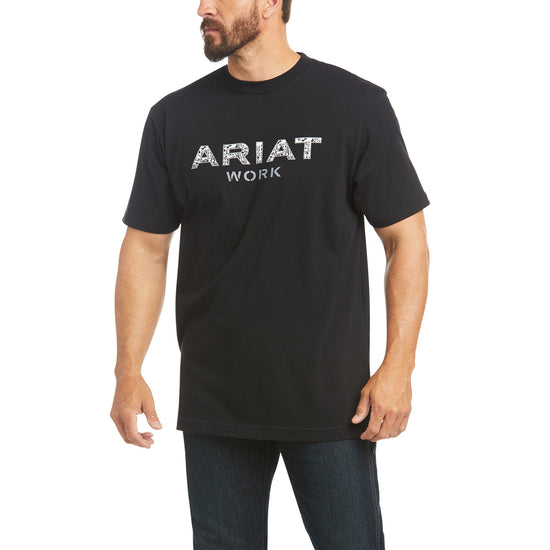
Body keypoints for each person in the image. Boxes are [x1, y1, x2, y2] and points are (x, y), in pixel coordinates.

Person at [111, 1, 430, 548]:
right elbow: (145, 248)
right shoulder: (175, 117)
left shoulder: (355, 105)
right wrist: (127, 369)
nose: (202, 8)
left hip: (333, 401)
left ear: (269, 4)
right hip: (217, 402)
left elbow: (407, 242)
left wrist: (398, 366)